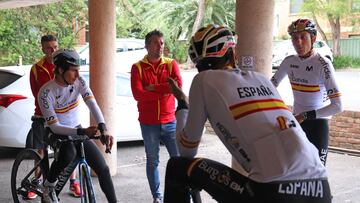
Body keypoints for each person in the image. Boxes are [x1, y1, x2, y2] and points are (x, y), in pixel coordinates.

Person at [163, 24, 332, 203]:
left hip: (271, 191)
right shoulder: (262, 80)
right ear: (233, 54)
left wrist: (182, 103)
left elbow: (186, 151)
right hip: (320, 187)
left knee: (176, 167)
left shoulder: (203, 80)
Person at [38, 49, 117, 203]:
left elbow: (92, 104)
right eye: (74, 71)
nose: (78, 75)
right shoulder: (46, 92)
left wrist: (103, 128)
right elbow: (55, 127)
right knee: (69, 152)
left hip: (76, 129)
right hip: (55, 131)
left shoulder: (79, 82)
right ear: (61, 70)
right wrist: (82, 131)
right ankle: (48, 186)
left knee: (103, 169)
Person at [271, 18, 343, 165]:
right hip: (297, 121)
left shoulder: (323, 64)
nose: (298, 42)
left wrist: (305, 115)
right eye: (295, 38)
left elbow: (338, 106)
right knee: (292, 168)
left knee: (317, 172)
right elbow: (270, 87)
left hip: (318, 123)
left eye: (303, 37)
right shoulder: (289, 61)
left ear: (314, 38)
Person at [130, 29, 182, 203]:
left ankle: (183, 194)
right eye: (155, 43)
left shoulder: (171, 64)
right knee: (152, 161)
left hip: (170, 122)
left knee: (179, 161)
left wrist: (152, 87)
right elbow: (138, 94)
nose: (160, 46)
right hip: (148, 123)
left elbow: (178, 89)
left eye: (162, 43)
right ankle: (157, 197)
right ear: (146, 46)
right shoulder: (137, 67)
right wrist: (164, 90)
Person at [29, 35, 80, 199]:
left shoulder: (65, 66)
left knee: (70, 150)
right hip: (41, 116)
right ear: (43, 49)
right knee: (40, 152)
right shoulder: (36, 69)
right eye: (49, 48)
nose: (53, 50)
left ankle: (73, 182)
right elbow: (37, 95)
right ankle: (37, 182)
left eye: (55, 46)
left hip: (62, 117)